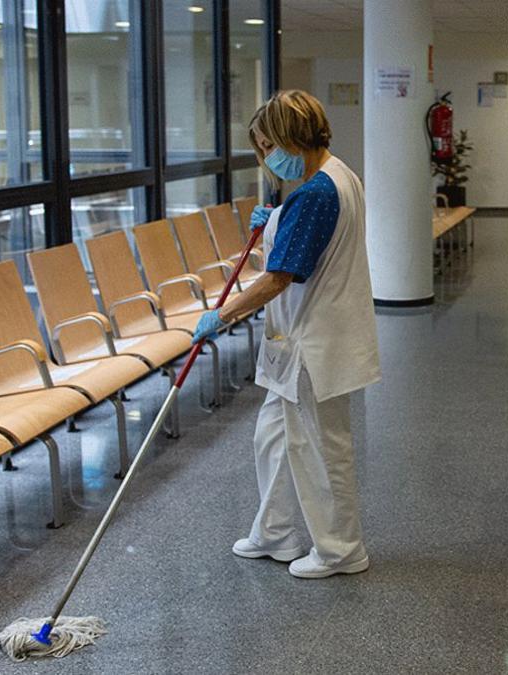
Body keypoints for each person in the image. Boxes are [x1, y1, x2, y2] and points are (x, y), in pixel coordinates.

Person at [192, 90, 380, 579]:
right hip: (300, 341)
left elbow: (280, 277)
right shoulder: (336, 176)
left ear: (291, 136)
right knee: (274, 437)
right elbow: (305, 238)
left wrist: (223, 315)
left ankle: (341, 550)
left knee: (319, 448)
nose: (265, 157)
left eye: (267, 145)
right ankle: (275, 533)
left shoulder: (318, 192)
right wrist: (276, 218)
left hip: (314, 345)